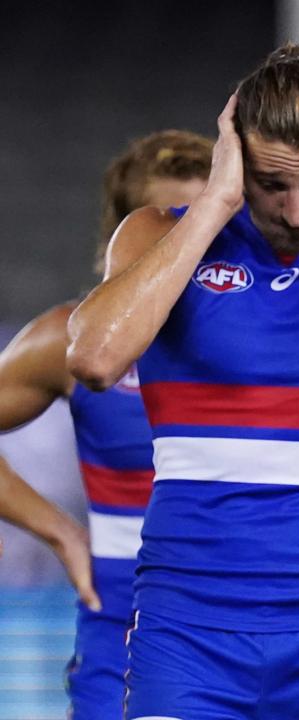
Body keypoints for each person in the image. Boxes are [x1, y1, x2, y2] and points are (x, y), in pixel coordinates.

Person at [66, 44, 299, 718]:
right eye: (271, 182)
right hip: (186, 629)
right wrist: (214, 204)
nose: (296, 211)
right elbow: (94, 358)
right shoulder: (159, 235)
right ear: (233, 158)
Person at [0, 130, 210, 719]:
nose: (190, 244)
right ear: (124, 234)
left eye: (207, 223)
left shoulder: (277, 342)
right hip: (121, 625)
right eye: (169, 224)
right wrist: (61, 532)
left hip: (254, 619)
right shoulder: (66, 341)